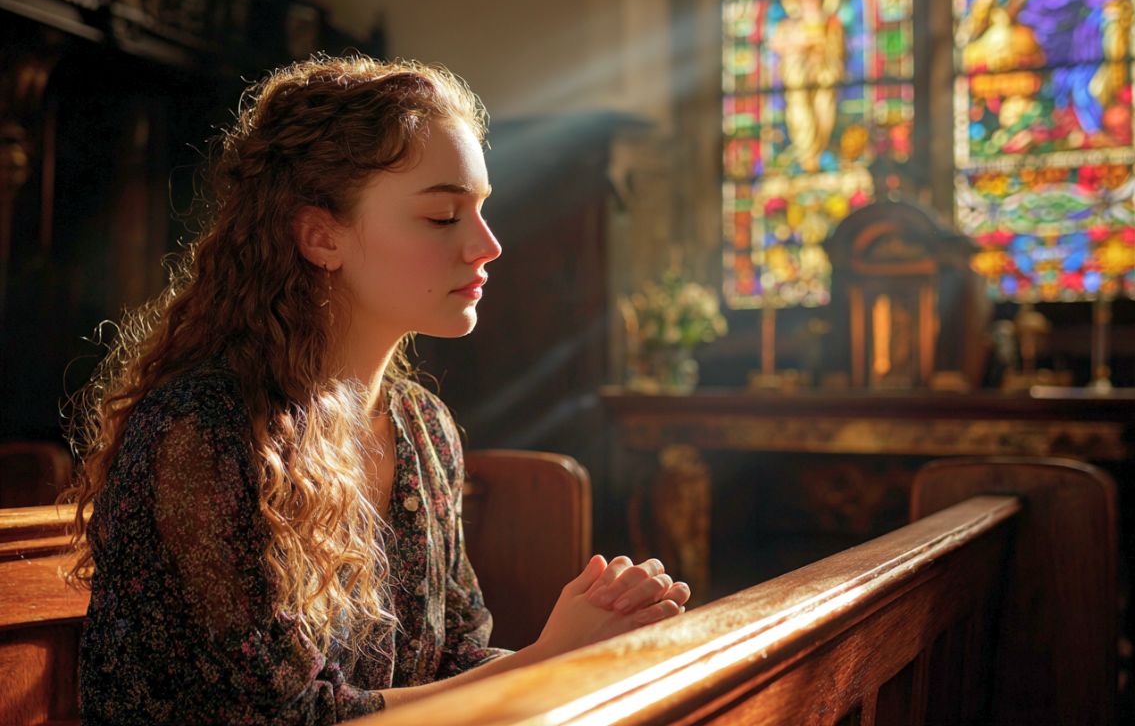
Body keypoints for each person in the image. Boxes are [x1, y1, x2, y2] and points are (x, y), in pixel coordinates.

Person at [59, 53, 690, 724]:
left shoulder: (423, 426)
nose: (488, 245)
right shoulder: (204, 430)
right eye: (444, 217)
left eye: (481, 210)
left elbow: (453, 666)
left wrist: (589, 648)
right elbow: (286, 718)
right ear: (320, 236)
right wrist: (549, 659)